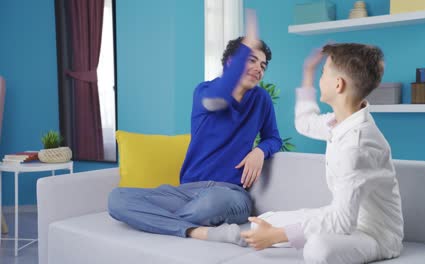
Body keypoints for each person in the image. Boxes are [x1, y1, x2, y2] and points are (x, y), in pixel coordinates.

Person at [107, 10, 282, 240]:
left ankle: (161, 223)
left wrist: (260, 150)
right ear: (231, 62)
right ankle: (198, 232)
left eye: (263, 65)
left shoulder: (261, 99)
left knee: (210, 204)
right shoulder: (205, 92)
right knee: (117, 199)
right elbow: (220, 99)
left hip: (229, 194)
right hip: (186, 191)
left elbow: (274, 138)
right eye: (251, 60)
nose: (259, 69)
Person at [230, 43, 403, 264]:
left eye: (323, 73)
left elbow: (342, 222)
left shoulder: (358, 146)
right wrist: (308, 73)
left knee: (317, 249)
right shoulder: (339, 121)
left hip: (374, 235)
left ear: (338, 85)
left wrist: (277, 236)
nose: (320, 79)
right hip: (344, 217)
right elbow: (305, 123)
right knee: (260, 223)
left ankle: (285, 235)